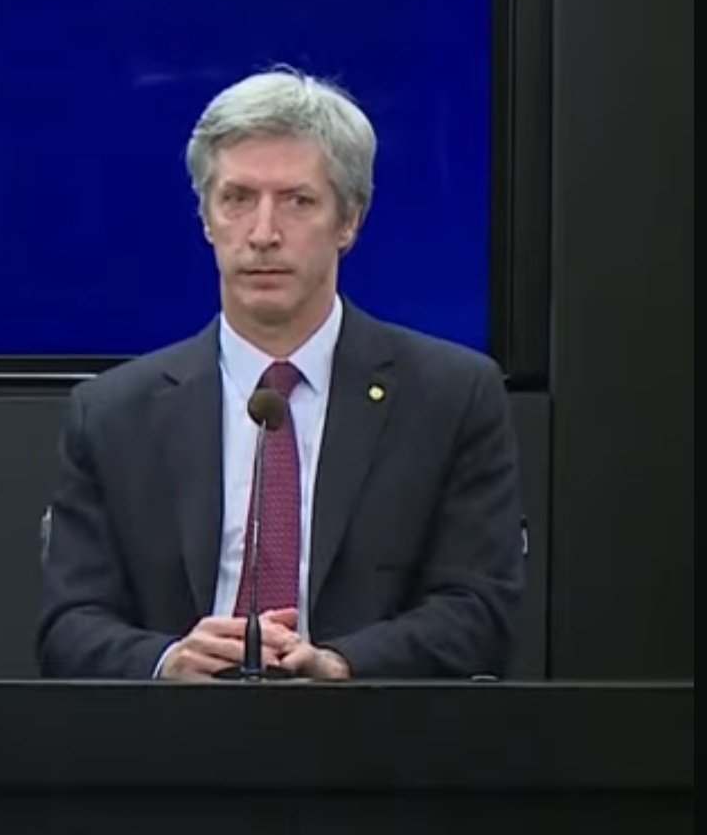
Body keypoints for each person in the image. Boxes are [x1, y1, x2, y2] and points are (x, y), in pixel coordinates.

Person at [37, 68, 522, 680]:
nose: (263, 234)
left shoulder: (451, 397)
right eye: (237, 199)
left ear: (349, 220)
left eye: (297, 201)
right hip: (175, 731)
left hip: (370, 731)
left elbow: (480, 612)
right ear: (207, 219)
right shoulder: (113, 413)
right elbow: (69, 625)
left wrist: (343, 664)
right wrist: (165, 662)